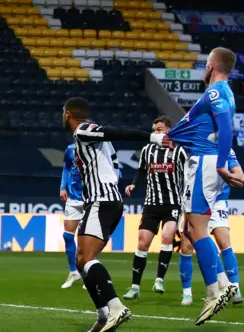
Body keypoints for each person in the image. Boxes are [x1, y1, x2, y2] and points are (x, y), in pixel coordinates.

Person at [62, 97, 169, 332]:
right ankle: (103, 316)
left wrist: (154, 138)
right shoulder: (91, 138)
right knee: (82, 261)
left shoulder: (83, 130)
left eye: (63, 112)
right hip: (107, 201)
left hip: (102, 201)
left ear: (68, 114)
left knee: (86, 258)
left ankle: (116, 308)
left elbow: (117, 132)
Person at [167, 47, 240, 325]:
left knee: (196, 229)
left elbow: (225, 129)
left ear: (211, 65)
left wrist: (222, 163)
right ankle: (223, 284)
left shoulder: (215, 92)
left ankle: (213, 292)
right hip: (206, 161)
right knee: (190, 227)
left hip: (204, 164)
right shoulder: (225, 92)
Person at [122, 116, 187, 300]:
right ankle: (135, 287)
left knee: (168, 237)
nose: (156, 133)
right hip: (151, 203)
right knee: (142, 243)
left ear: (168, 130)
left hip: (173, 203)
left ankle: (159, 279)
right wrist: (134, 184)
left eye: (159, 130)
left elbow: (189, 173)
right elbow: (142, 170)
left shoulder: (179, 151)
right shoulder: (147, 150)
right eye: (154, 130)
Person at [178, 149, 242, 306]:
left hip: (217, 199)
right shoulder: (188, 145)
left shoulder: (225, 146)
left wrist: (237, 175)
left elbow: (235, 167)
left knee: (223, 241)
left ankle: (234, 289)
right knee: (186, 245)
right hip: (193, 199)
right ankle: (187, 294)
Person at [58, 142, 84, 289]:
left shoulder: (98, 148)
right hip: (73, 198)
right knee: (68, 236)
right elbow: (67, 167)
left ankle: (88, 274)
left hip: (91, 198)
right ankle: (74, 272)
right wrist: (63, 186)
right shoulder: (70, 148)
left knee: (87, 239)